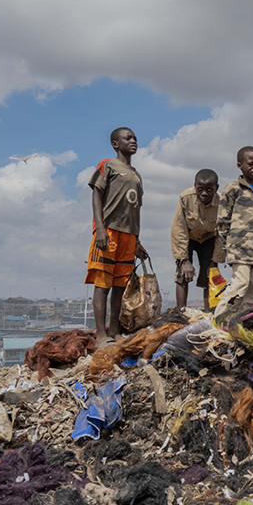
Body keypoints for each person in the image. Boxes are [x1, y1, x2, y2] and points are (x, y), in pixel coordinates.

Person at [84, 127, 148, 344]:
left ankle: (114, 331)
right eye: (127, 138)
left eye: (135, 138)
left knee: (120, 286)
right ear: (115, 143)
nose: (133, 141)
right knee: (103, 284)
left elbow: (135, 210)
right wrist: (99, 228)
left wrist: (137, 241)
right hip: (109, 231)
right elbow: (96, 194)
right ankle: (101, 334)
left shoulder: (137, 175)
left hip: (129, 236)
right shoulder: (107, 165)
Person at [214, 147, 253, 318]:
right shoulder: (233, 189)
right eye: (251, 163)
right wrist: (230, 244)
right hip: (240, 248)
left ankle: (242, 321)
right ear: (240, 165)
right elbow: (222, 221)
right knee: (240, 285)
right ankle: (219, 320)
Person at [170, 169, 225, 312]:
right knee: (183, 274)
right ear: (195, 186)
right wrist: (184, 260)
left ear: (216, 188)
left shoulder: (222, 203)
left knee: (209, 275)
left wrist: (214, 261)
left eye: (209, 190)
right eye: (200, 189)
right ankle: (181, 312)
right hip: (188, 237)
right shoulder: (185, 198)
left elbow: (223, 234)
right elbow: (178, 229)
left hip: (209, 238)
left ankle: (208, 314)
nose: (204, 193)